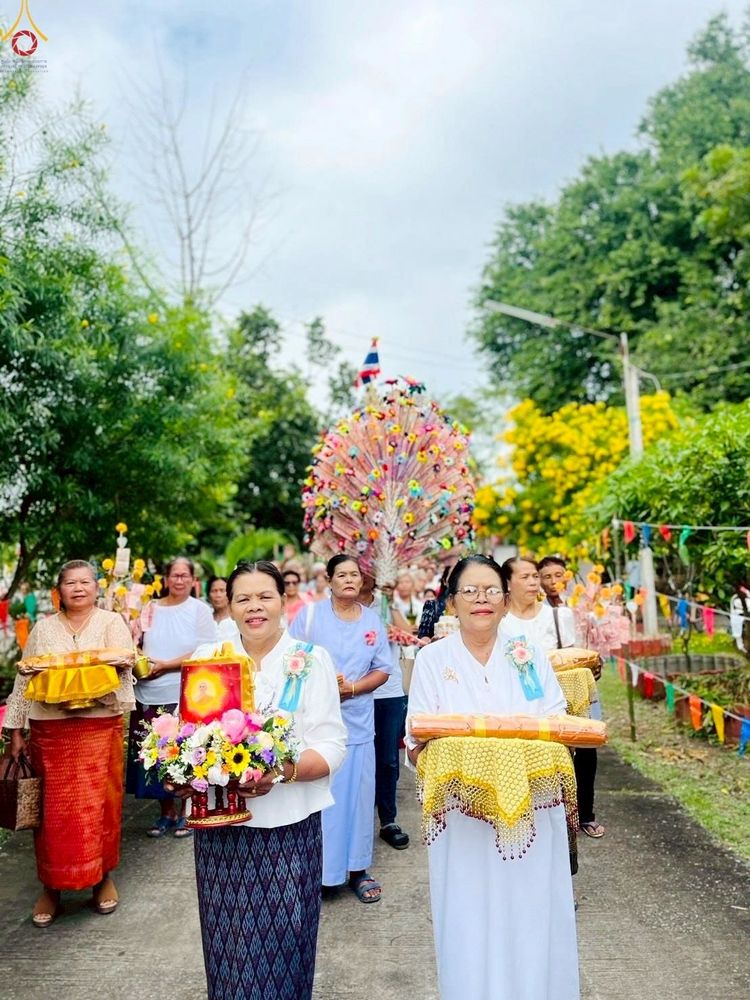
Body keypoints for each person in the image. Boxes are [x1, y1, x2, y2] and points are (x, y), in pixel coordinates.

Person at [406, 555, 579, 1000]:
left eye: (491, 590)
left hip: (531, 811)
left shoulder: (527, 653)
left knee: (531, 911)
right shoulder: (432, 659)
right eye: (469, 590)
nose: (481, 599)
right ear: (452, 600)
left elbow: (556, 722)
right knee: (468, 913)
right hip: (461, 812)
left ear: (505, 600)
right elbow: (417, 738)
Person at [184, 561, 346, 1000]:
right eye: (243, 599)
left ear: (283, 601)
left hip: (289, 828)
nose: (254, 607)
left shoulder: (311, 661)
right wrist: (181, 773)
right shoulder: (206, 661)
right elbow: (186, 741)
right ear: (229, 606)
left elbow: (332, 744)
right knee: (227, 946)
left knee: (285, 945)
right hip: (222, 830)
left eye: (264, 596)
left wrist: (282, 773)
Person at [4, 559, 135, 927]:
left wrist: (89, 664)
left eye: (86, 582)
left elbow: (126, 662)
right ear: (58, 590)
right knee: (54, 816)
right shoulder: (43, 629)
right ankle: (51, 887)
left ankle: (102, 877)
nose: (78, 588)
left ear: (97, 587)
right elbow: (23, 682)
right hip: (51, 732)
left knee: (101, 807)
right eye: (70, 583)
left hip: (98, 727)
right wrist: (15, 732)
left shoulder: (111, 622)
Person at [289, 554, 391, 902]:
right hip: (315, 724)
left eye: (355, 575)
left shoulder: (372, 620)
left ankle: (358, 869)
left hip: (358, 722)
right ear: (328, 580)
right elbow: (292, 660)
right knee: (320, 801)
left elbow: (383, 669)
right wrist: (322, 686)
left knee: (358, 800)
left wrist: (352, 689)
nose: (349, 579)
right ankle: (319, 875)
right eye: (342, 574)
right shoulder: (311, 615)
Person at [126, 557, 216, 838]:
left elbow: (206, 651)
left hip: (184, 693)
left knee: (186, 753)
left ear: (192, 580)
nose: (179, 580)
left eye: (184, 575)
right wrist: (141, 661)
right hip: (148, 692)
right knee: (154, 755)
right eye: (174, 575)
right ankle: (167, 812)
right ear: (165, 579)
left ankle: (188, 811)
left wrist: (166, 665)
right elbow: (136, 641)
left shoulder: (200, 610)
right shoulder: (149, 609)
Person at [537, 555, 605, 840]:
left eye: (559, 575)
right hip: (551, 686)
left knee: (587, 749)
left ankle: (586, 814)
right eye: (547, 576)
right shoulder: (534, 613)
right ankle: (559, 812)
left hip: (581, 684)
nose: (554, 582)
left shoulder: (578, 608)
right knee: (556, 751)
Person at [367, 577, 411, 850]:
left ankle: (388, 820)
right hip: (352, 693)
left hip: (389, 691)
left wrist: (390, 601)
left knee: (387, 760)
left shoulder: (385, 604)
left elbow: (408, 634)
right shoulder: (341, 608)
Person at [206, 576, 240, 644]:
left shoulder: (238, 619)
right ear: (208, 595)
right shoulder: (204, 618)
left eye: (222, 590)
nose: (218, 595)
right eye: (214, 591)